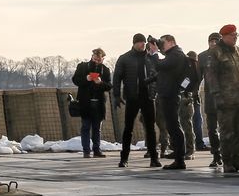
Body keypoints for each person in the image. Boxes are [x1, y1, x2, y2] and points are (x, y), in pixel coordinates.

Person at [206, 24, 239, 173]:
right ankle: (227, 161)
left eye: (236, 35)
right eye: (232, 35)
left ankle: (237, 159)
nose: (235, 37)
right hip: (226, 101)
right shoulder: (216, 53)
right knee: (227, 132)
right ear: (224, 36)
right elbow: (211, 76)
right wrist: (217, 95)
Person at [113, 34, 160, 168]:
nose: (142, 44)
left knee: (151, 128)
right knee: (128, 128)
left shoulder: (150, 57)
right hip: (132, 97)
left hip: (148, 97)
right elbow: (117, 78)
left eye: (143, 42)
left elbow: (159, 72)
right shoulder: (125, 58)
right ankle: (124, 158)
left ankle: (154, 158)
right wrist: (116, 95)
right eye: (139, 42)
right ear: (133, 43)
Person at [150, 34, 189, 170]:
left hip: (171, 95)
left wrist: (155, 53)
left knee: (174, 126)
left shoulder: (176, 55)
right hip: (169, 94)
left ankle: (180, 159)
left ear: (172, 42)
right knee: (172, 126)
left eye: (163, 42)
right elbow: (164, 72)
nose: (161, 45)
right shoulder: (174, 54)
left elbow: (160, 66)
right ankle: (179, 157)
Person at [73, 47, 112, 158]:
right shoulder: (82, 66)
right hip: (85, 102)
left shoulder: (105, 70)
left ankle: (96, 150)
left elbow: (109, 86)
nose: (96, 61)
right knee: (85, 127)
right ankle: (86, 150)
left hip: (98, 103)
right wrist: (87, 78)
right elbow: (75, 80)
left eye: (99, 60)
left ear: (103, 59)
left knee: (96, 128)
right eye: (95, 59)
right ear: (92, 56)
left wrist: (100, 83)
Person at [200, 31, 223, 167]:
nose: (213, 43)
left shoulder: (225, 55)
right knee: (212, 129)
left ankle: (227, 155)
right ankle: (216, 155)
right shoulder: (202, 57)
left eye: (216, 40)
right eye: (211, 41)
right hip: (210, 97)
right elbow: (197, 78)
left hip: (225, 97)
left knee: (226, 129)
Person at [181, 51, 201, 160]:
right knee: (184, 125)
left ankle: (190, 149)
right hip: (184, 98)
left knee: (187, 125)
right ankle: (185, 149)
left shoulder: (194, 73)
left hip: (187, 99)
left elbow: (189, 83)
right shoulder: (190, 71)